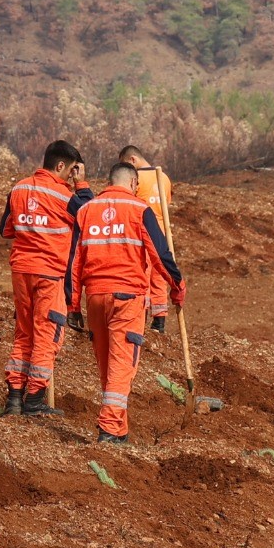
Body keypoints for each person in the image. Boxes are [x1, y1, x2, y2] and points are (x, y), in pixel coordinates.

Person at [66, 162, 185, 443]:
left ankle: (119, 431)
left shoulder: (87, 210)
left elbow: (74, 262)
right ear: (133, 183)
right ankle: (109, 428)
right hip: (127, 298)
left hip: (95, 297)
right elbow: (160, 255)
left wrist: (73, 305)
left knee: (108, 364)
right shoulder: (139, 210)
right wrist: (177, 286)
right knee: (122, 364)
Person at [0, 140, 87, 418]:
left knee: (24, 333)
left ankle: (14, 398)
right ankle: (35, 400)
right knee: (47, 336)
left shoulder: (18, 188)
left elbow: (6, 230)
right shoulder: (66, 196)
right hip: (49, 274)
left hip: (21, 271)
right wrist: (82, 185)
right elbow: (90, 217)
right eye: (71, 171)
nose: (71, 177)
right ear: (60, 166)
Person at [117, 146, 177, 330]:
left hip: (142, 234)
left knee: (142, 275)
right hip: (161, 235)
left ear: (132, 160)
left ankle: (140, 317)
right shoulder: (164, 178)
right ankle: (159, 320)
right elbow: (165, 204)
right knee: (159, 276)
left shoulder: (135, 179)